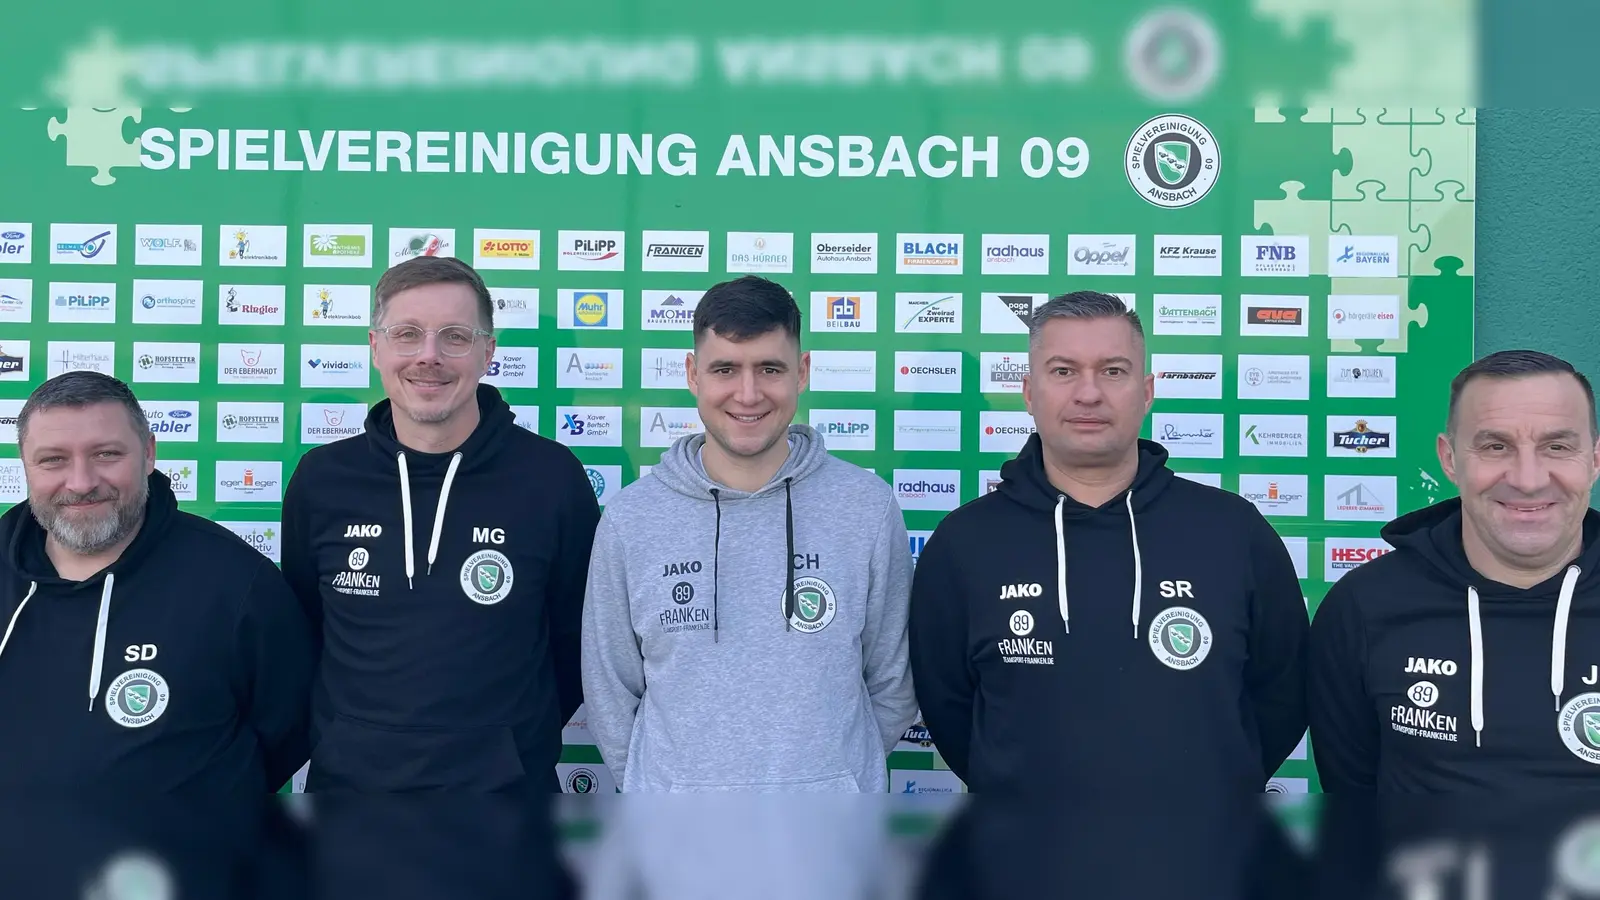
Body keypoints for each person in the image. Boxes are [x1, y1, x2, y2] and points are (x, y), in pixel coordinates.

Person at [907, 290, 1309, 796]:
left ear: (1146, 391)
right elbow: (950, 709)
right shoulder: (965, 544)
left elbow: (1283, 694)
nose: (1089, 393)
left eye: (1113, 371)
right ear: (1029, 392)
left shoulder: (1233, 531)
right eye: (1063, 371)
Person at [580, 274, 918, 792]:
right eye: (725, 369)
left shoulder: (866, 508)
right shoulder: (631, 520)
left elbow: (892, 681)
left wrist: (838, 783)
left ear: (801, 372)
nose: (748, 393)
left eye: (769, 368)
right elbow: (610, 689)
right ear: (693, 374)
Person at [281, 255, 600, 792]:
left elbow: (578, 644)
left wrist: (505, 748)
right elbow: (301, 639)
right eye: (407, 334)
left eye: (455, 336)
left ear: (488, 351)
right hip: (348, 810)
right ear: (376, 346)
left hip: (505, 812)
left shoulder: (551, 478)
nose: (429, 356)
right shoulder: (323, 480)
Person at [0, 370, 314, 793]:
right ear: (25, 464)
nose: (81, 482)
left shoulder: (238, 583)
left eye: (106, 454)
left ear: (148, 453)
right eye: (53, 459)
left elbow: (287, 733)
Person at [1310, 350, 1600, 790]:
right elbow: (1354, 802)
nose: (1528, 479)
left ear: (1594, 459)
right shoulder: (1364, 607)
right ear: (1449, 459)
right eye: (1495, 446)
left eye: (1557, 447)